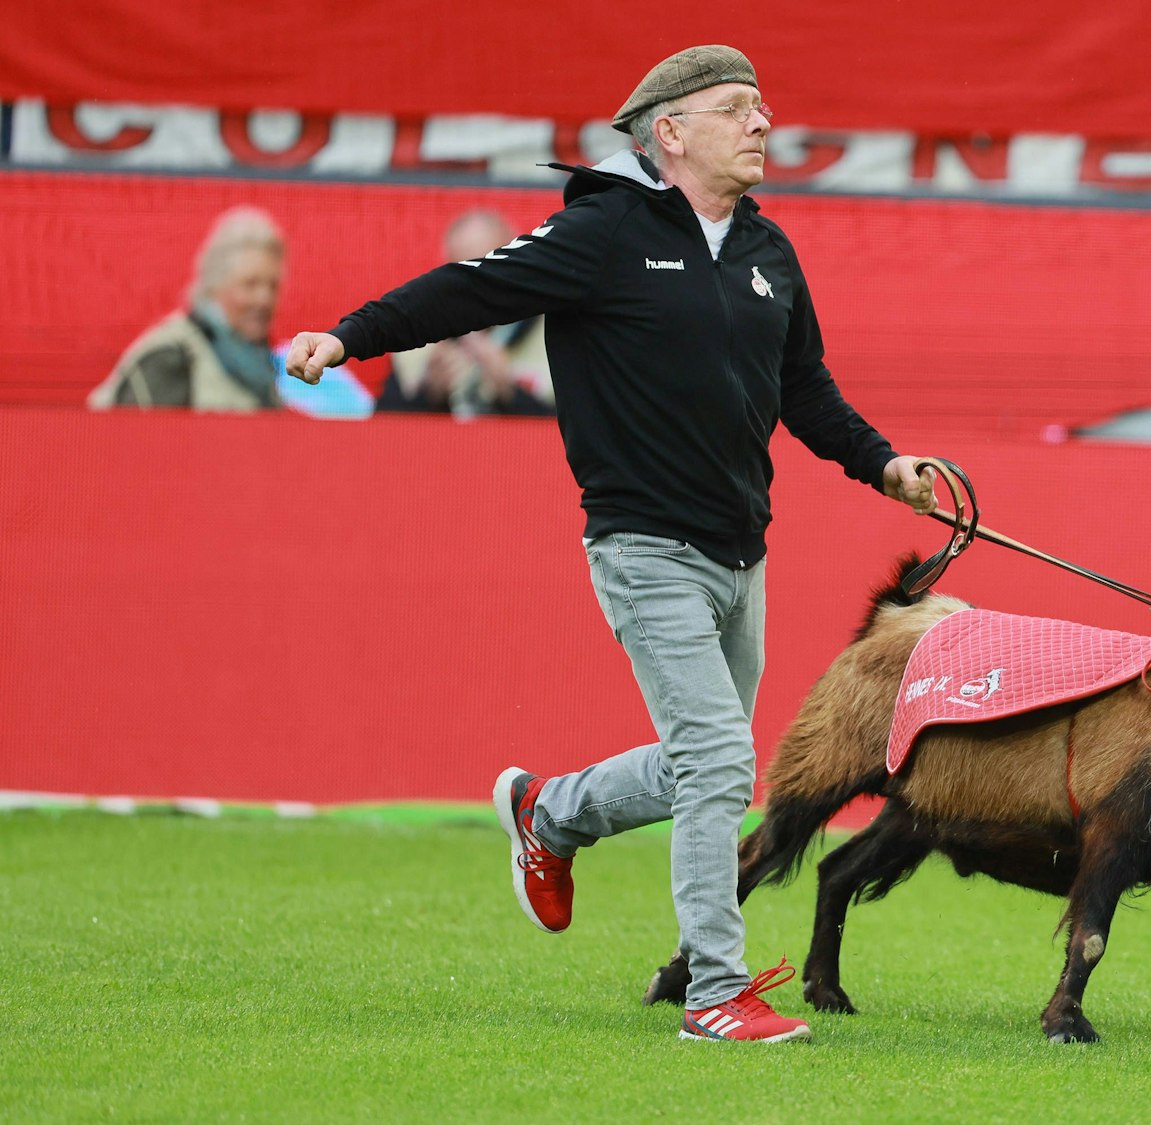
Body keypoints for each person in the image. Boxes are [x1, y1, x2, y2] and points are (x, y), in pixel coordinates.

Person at [285, 44, 937, 1042]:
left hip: (740, 555)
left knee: (702, 766)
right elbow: (471, 286)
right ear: (669, 133)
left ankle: (551, 814)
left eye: (763, 109)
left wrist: (883, 466)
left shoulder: (767, 253)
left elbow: (805, 394)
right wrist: (349, 335)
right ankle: (716, 992)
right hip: (644, 549)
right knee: (721, 762)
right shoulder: (602, 231)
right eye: (737, 109)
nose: (764, 125)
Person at [90, 206, 287, 411]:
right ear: (214, 285)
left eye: (273, 286)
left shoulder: (263, 366)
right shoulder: (171, 356)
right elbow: (135, 439)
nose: (265, 299)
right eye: (250, 285)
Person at [376, 209, 557, 418]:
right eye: (466, 275)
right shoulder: (420, 338)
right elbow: (383, 429)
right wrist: (429, 396)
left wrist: (510, 394)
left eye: (494, 269)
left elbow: (581, 434)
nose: (481, 289)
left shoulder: (557, 331)